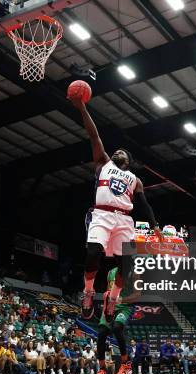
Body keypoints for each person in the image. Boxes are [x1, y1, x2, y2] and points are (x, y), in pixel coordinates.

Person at [69, 96, 163, 322]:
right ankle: (89, 293)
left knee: (125, 266)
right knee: (93, 253)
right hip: (101, 214)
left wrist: (155, 227)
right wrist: (82, 107)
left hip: (123, 220)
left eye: (122, 151)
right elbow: (94, 135)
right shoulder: (103, 162)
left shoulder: (135, 179)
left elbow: (144, 205)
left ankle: (113, 298)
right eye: (117, 150)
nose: (118, 151)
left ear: (128, 162)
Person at [95, 267, 140, 374]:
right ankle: (102, 370)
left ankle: (125, 365)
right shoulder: (110, 272)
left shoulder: (134, 272)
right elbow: (108, 292)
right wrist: (106, 305)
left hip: (125, 307)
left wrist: (121, 300)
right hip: (110, 307)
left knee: (117, 327)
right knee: (101, 334)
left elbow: (137, 295)